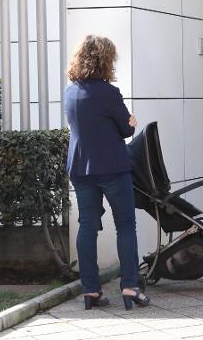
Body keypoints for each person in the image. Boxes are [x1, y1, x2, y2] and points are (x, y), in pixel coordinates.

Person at [65, 35, 150, 311]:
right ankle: (130, 286)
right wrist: (131, 122)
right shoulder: (108, 92)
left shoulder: (70, 91)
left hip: (81, 168)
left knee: (87, 225)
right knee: (126, 225)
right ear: (106, 61)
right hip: (113, 167)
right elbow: (126, 129)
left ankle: (90, 290)